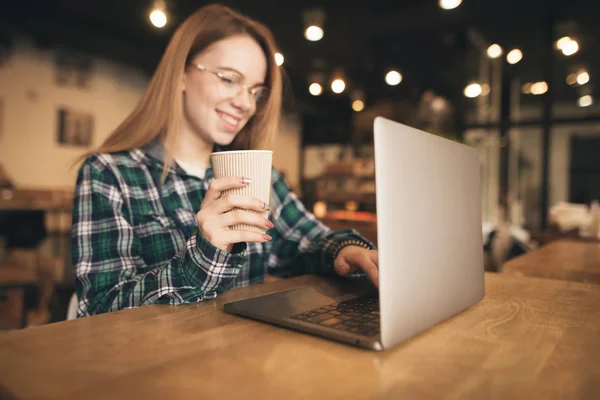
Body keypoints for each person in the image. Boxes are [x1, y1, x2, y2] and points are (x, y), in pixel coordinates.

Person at [72, 4, 379, 317]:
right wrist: (204, 254)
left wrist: (347, 250)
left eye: (256, 92)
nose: (246, 103)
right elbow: (100, 307)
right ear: (181, 75)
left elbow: (306, 242)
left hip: (246, 356)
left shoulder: (257, 174)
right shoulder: (110, 173)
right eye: (230, 79)